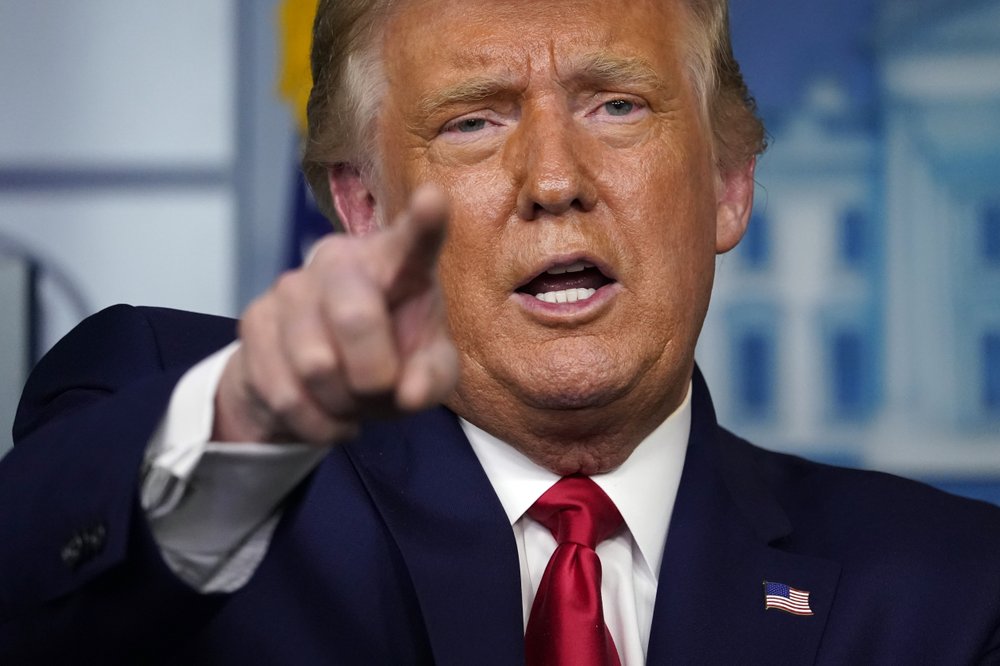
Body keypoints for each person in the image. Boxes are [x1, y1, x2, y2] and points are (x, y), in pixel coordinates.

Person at [2, 0, 999, 663]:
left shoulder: (951, 591)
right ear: (362, 208)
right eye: (473, 121)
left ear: (728, 187)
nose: (555, 181)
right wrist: (248, 424)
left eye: (616, 105)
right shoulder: (193, 411)